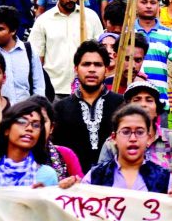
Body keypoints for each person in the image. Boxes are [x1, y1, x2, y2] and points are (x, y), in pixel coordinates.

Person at [97, 81, 172, 192]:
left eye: (149, 100)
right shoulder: (113, 143)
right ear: (126, 109)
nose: (143, 104)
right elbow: (99, 184)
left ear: (157, 110)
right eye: (137, 100)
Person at [52, 41, 124, 172]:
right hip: (73, 184)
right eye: (86, 64)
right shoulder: (59, 108)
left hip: (114, 182)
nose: (92, 69)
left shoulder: (122, 105)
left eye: (98, 65)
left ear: (107, 70)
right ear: (76, 69)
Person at [30, 0, 103, 98]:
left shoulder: (91, 17)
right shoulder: (43, 20)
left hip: (86, 89)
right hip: (54, 90)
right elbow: (37, 59)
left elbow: (102, 54)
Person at [82, 105, 172, 195]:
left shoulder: (164, 179)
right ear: (114, 138)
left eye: (140, 132)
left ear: (148, 138)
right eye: (126, 132)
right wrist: (69, 188)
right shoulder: (95, 176)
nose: (133, 138)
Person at [133, 0, 172, 103]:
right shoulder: (127, 33)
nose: (149, 6)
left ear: (158, 6)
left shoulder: (168, 33)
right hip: (132, 99)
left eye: (153, 3)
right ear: (135, 5)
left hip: (160, 100)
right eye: (144, 2)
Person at [0, 6, 45, 103]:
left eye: (0, 29)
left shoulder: (29, 51)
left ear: (13, 31)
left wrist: (37, 109)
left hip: (24, 114)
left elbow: (39, 86)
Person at [28, 95, 83, 180]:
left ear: (51, 127)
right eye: (30, 121)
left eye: (43, 121)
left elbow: (81, 188)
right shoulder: (13, 157)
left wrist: (71, 186)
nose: (37, 126)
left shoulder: (66, 154)